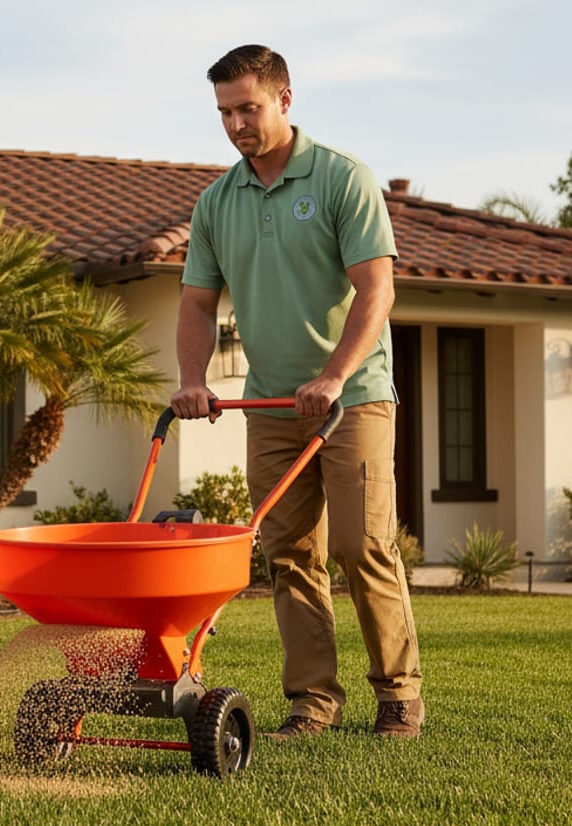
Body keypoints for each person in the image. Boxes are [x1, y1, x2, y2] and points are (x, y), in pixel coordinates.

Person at [170, 44, 424, 739]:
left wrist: (335, 374)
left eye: (247, 108)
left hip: (355, 397)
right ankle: (313, 701)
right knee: (288, 552)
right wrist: (193, 381)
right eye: (224, 112)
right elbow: (196, 304)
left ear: (285, 99)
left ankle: (399, 696)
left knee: (363, 545)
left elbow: (378, 288)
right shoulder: (217, 201)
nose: (235, 124)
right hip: (271, 403)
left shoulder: (342, 179)